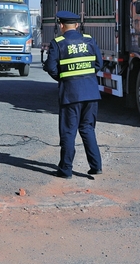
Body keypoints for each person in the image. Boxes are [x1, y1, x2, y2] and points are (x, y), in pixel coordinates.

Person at [43, 11, 103, 179]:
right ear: (77, 25)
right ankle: (96, 166)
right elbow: (99, 64)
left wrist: (63, 78)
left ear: (61, 26)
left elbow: (50, 67)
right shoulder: (89, 40)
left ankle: (66, 170)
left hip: (70, 94)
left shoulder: (58, 43)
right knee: (87, 128)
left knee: (69, 132)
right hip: (91, 93)